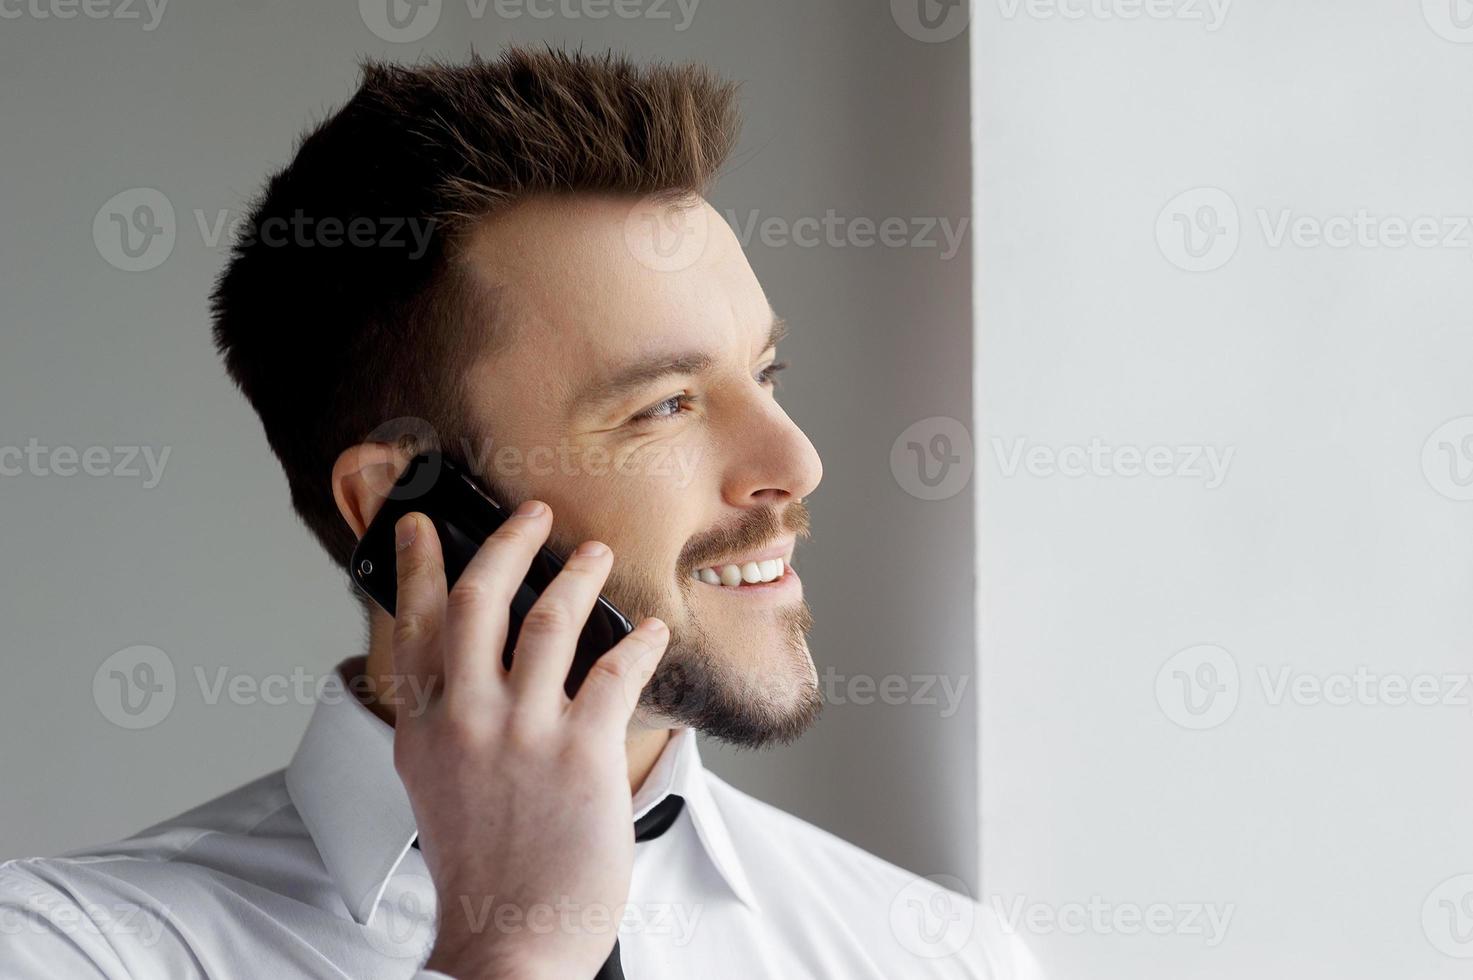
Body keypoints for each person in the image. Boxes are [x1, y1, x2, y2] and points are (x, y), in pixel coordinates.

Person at [0, 48, 1038, 979]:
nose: (795, 460)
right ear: (405, 505)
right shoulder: (67, 947)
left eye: (767, 372)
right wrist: (516, 950)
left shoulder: (938, 953)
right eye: (666, 404)